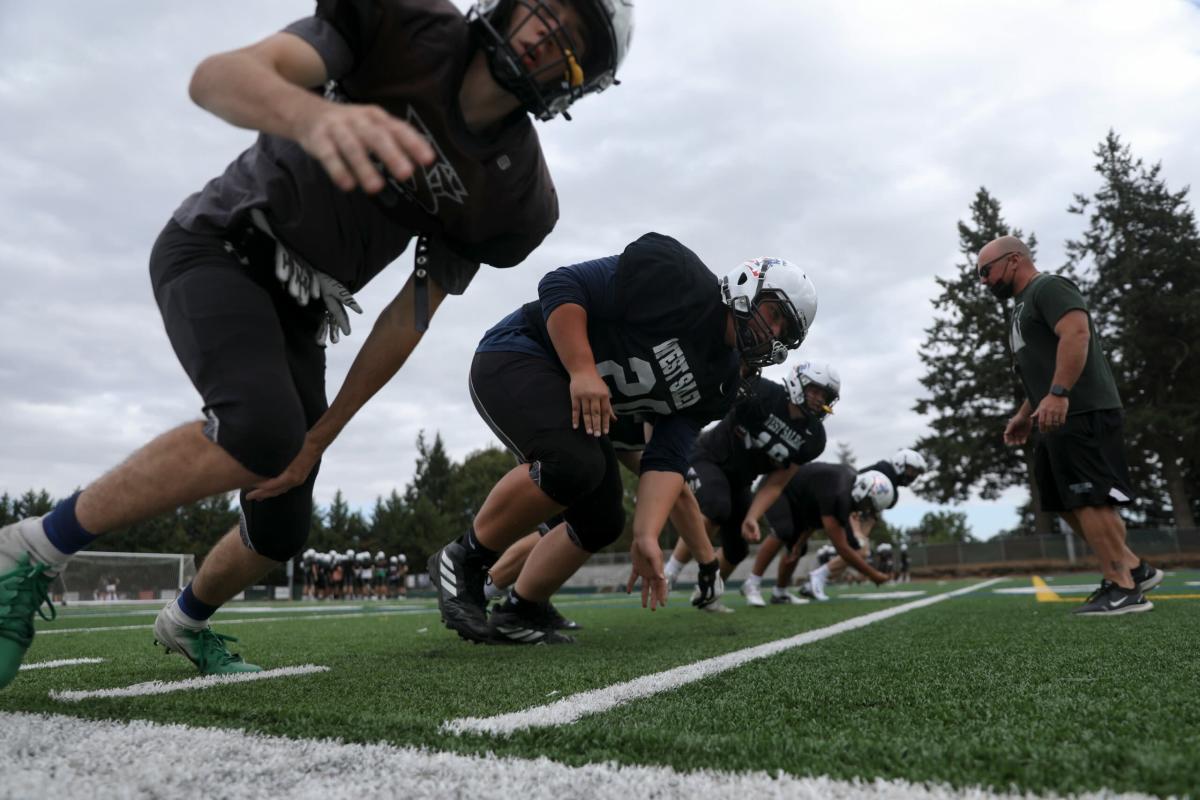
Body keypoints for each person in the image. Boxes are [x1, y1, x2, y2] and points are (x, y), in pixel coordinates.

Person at [0, 0, 636, 689]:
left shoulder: (513, 194)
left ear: (579, 84)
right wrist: (316, 115)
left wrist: (323, 435)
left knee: (280, 525)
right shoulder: (409, 26)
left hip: (304, 313)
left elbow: (409, 315)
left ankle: (183, 623)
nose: (546, 35)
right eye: (548, 12)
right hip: (222, 243)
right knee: (261, 430)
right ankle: (30, 549)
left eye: (572, 42)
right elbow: (216, 77)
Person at [428, 236, 818, 644]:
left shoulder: (721, 383)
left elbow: (666, 459)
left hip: (580, 406)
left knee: (603, 520)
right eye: (773, 313)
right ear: (747, 283)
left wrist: (646, 535)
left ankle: (523, 608)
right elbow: (561, 285)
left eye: (782, 330)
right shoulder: (677, 276)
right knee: (577, 465)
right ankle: (465, 559)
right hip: (521, 353)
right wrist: (582, 369)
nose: (770, 330)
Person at [977, 235, 1160, 615]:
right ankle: (1134, 568)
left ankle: (1122, 587)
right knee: (1061, 501)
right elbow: (1045, 366)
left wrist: (1059, 393)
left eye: (986, 271)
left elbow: (1077, 334)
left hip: (1081, 410)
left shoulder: (1048, 287)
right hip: (1054, 417)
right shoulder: (1020, 308)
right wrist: (1025, 414)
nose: (984, 281)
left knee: (1090, 497)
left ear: (1013, 261)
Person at [666, 361, 838, 612]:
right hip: (709, 457)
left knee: (737, 549)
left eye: (825, 395)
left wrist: (753, 517)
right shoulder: (762, 393)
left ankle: (708, 593)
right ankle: (670, 572)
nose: (818, 399)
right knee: (716, 505)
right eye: (815, 390)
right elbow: (719, 397)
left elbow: (776, 483)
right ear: (797, 381)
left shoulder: (813, 437)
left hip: (741, 480)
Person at [745, 464, 894, 604]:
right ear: (863, 489)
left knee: (798, 549)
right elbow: (842, 547)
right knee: (783, 531)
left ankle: (780, 592)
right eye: (868, 504)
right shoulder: (838, 491)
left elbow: (814, 519)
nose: (866, 510)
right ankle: (752, 582)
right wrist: (873, 575)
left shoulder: (847, 488)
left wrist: (800, 541)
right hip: (779, 486)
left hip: (798, 500)